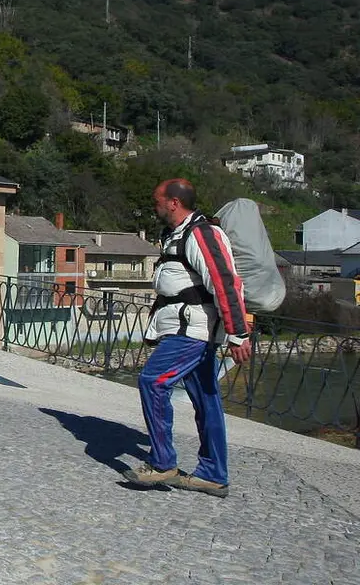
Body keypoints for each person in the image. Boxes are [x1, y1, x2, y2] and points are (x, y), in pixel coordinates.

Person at [122, 178, 252, 498]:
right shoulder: (176, 235)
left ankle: (163, 463)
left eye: (157, 201)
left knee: (153, 381)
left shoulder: (202, 233)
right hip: (183, 328)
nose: (154, 206)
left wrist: (238, 334)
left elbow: (225, 282)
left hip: (191, 330)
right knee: (207, 400)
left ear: (174, 203)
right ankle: (213, 475)